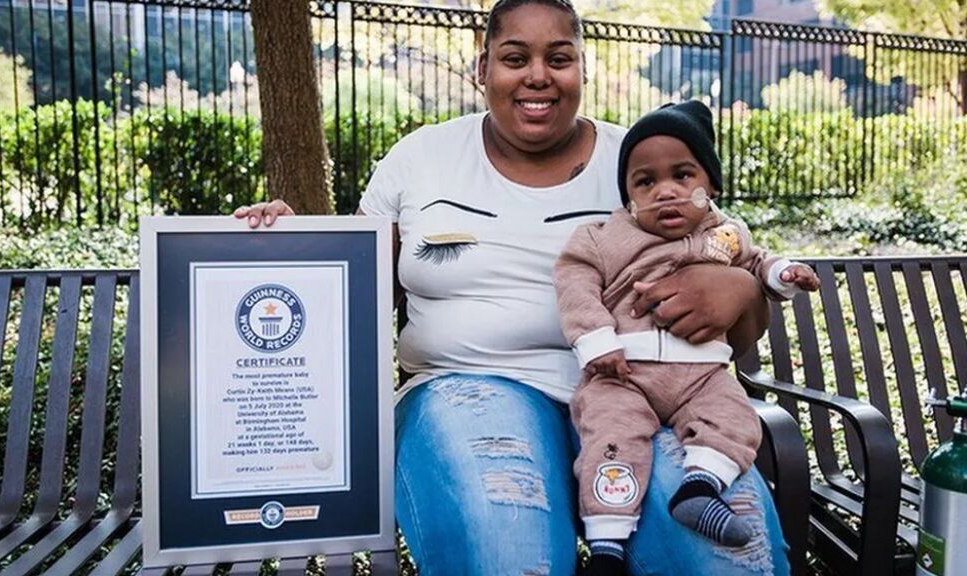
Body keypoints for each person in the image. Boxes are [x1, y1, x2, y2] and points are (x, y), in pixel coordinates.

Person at [236, 1, 792, 574]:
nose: (537, 76)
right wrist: (283, 249)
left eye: (559, 58)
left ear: (582, 67)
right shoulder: (421, 158)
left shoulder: (643, 162)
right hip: (466, 389)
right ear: (482, 69)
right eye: (514, 58)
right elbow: (346, 294)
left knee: (726, 553)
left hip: (642, 394)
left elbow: (733, 314)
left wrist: (744, 294)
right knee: (507, 547)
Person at [554, 101, 819, 575]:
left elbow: (758, 263)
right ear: (628, 197)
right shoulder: (607, 238)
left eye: (683, 175)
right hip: (624, 371)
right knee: (611, 438)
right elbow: (576, 282)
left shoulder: (729, 235)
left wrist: (784, 274)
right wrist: (597, 341)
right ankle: (608, 546)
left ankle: (700, 487)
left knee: (735, 417)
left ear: (711, 185)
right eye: (645, 182)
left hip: (701, 374)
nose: (666, 193)